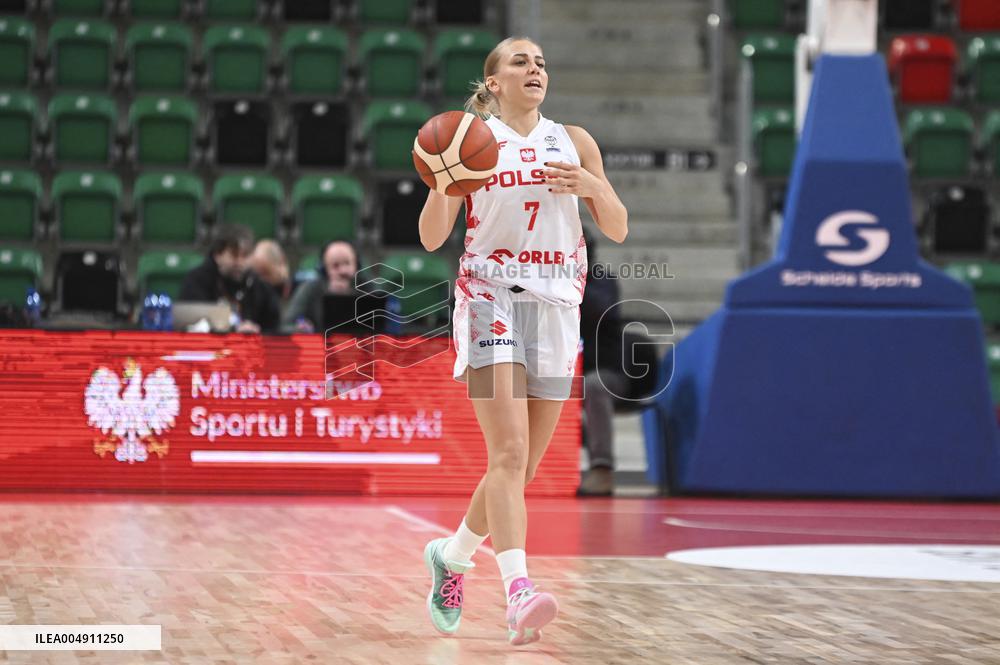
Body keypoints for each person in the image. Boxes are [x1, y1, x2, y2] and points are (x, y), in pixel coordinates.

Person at [417, 37, 628, 646]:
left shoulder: (575, 140)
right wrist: (443, 179)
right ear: (495, 81)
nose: (535, 69)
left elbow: (616, 224)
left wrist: (592, 184)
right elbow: (433, 239)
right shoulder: (470, 141)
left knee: (523, 466)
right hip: (489, 298)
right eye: (520, 62)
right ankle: (518, 592)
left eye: (540, 63)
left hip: (557, 306)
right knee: (508, 456)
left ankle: (453, 557)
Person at [577, 228, 629, 496]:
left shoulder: (602, 281)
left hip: (607, 372)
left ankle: (601, 469)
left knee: (594, 386)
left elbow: (599, 310)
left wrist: (570, 280)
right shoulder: (541, 280)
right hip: (562, 372)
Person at [179, 223, 281, 333]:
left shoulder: (259, 285)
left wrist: (256, 330)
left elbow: (274, 326)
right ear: (218, 254)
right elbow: (190, 323)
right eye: (234, 255)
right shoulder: (197, 280)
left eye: (245, 256)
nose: (240, 262)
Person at [281, 239, 361, 333]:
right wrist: (299, 329)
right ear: (324, 269)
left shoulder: (368, 289)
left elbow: (380, 329)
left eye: (347, 263)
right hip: (319, 345)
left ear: (357, 265)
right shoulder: (310, 289)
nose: (342, 271)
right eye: (335, 265)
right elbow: (285, 326)